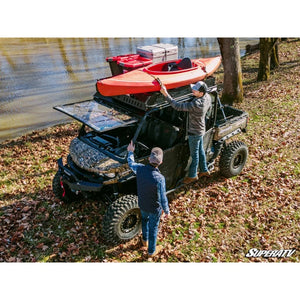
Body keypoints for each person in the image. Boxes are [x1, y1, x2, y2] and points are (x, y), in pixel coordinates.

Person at [160, 80, 211, 184]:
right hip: (201, 129)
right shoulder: (207, 97)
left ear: (201, 93)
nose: (193, 90)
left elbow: (177, 106)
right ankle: (204, 170)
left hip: (194, 132)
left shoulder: (196, 104)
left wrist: (166, 94)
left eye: (195, 90)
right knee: (200, 151)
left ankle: (192, 175)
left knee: (194, 154)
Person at [127, 141, 170, 257]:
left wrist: (130, 152)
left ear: (149, 159)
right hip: (154, 208)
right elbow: (162, 198)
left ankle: (144, 241)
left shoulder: (140, 169)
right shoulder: (160, 179)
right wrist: (166, 211)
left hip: (142, 204)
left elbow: (131, 163)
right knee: (153, 228)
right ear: (161, 162)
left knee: (144, 221)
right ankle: (151, 251)